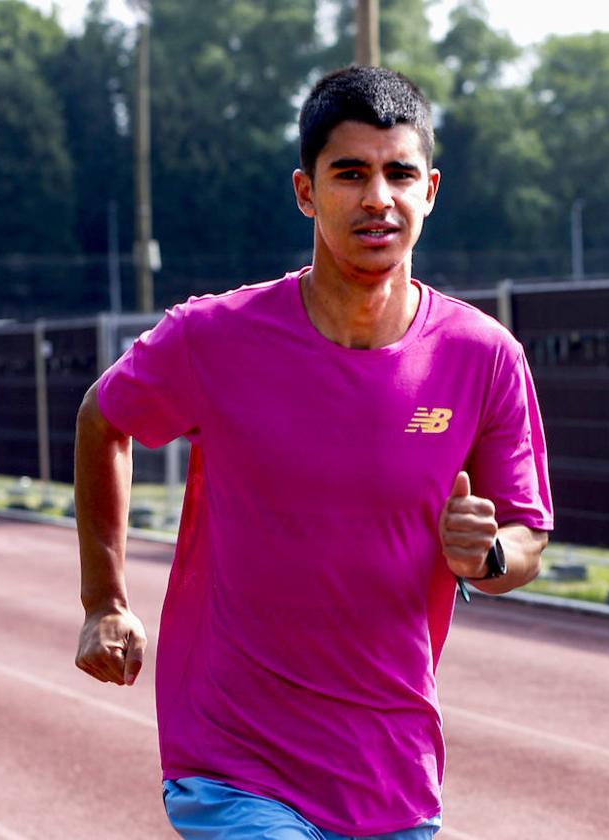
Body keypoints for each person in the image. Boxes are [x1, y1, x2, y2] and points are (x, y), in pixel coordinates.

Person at [73, 65, 553, 839]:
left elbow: (527, 534)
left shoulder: (483, 357)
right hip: (233, 760)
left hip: (391, 768)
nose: (378, 198)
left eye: (399, 173)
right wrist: (104, 598)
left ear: (430, 191)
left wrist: (488, 555)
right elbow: (106, 414)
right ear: (307, 192)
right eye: (350, 174)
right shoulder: (213, 338)